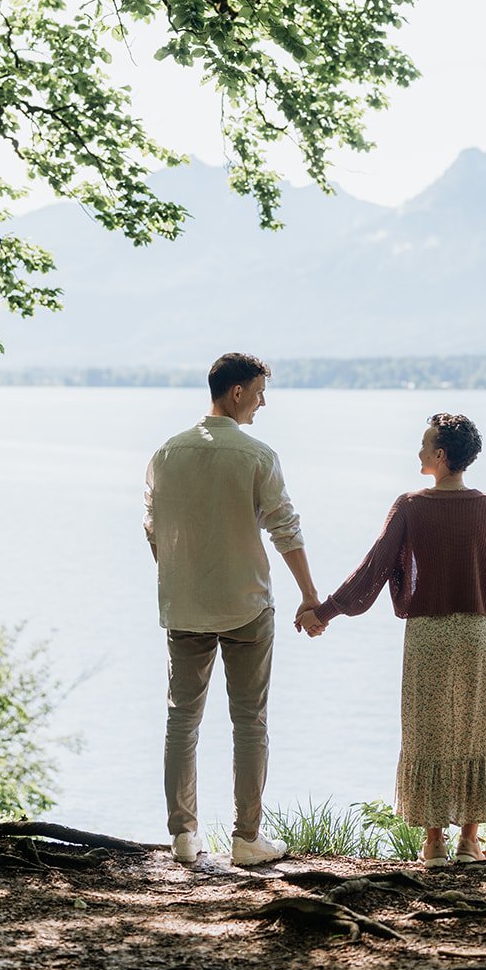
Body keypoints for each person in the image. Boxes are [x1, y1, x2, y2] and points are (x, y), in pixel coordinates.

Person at [298, 412, 486, 866]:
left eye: (424, 444)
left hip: (428, 636)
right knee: (478, 731)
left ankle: (434, 844)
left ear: (440, 455)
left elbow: (374, 570)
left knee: (429, 733)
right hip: (478, 635)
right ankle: (469, 843)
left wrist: (325, 612)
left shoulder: (411, 507)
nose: (417, 451)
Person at [144, 352, 324, 867]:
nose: (264, 402)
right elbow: (285, 528)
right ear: (238, 392)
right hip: (247, 606)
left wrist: (176, 570)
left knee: (182, 720)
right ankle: (247, 840)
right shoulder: (257, 456)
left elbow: (153, 525)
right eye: (260, 392)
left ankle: (183, 837)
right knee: (250, 722)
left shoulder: (165, 454)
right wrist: (310, 596)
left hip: (184, 607)